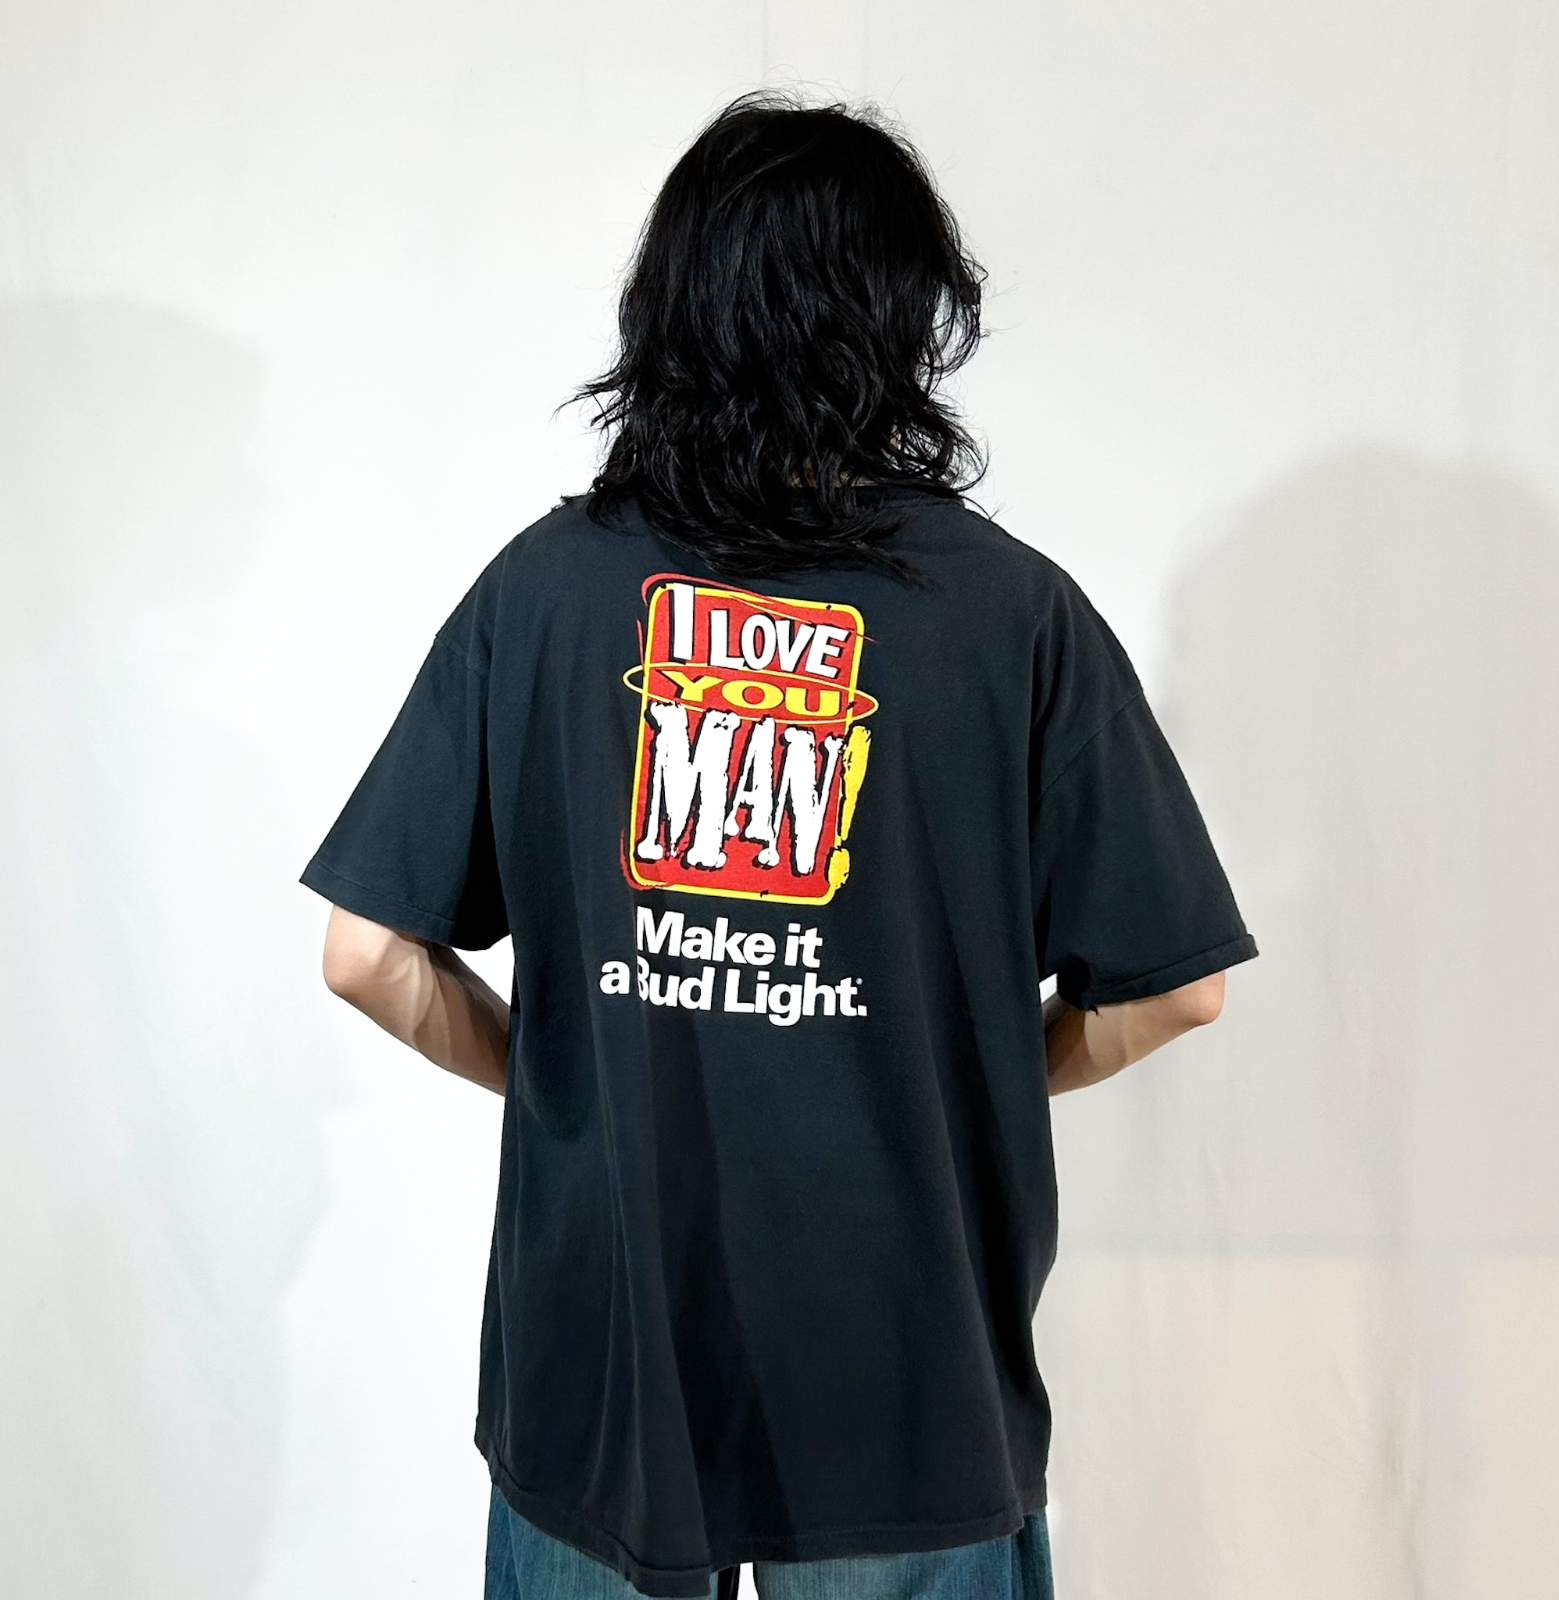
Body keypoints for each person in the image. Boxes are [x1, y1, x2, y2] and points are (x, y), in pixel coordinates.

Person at [299, 89, 1258, 1600]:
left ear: (669, 310)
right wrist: (966, 1075)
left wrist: (568, 1081)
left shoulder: (539, 593)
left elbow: (366, 955)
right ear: (903, 319)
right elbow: (1176, 986)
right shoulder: (1013, 615)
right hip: (909, 1392)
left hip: (600, 1381)